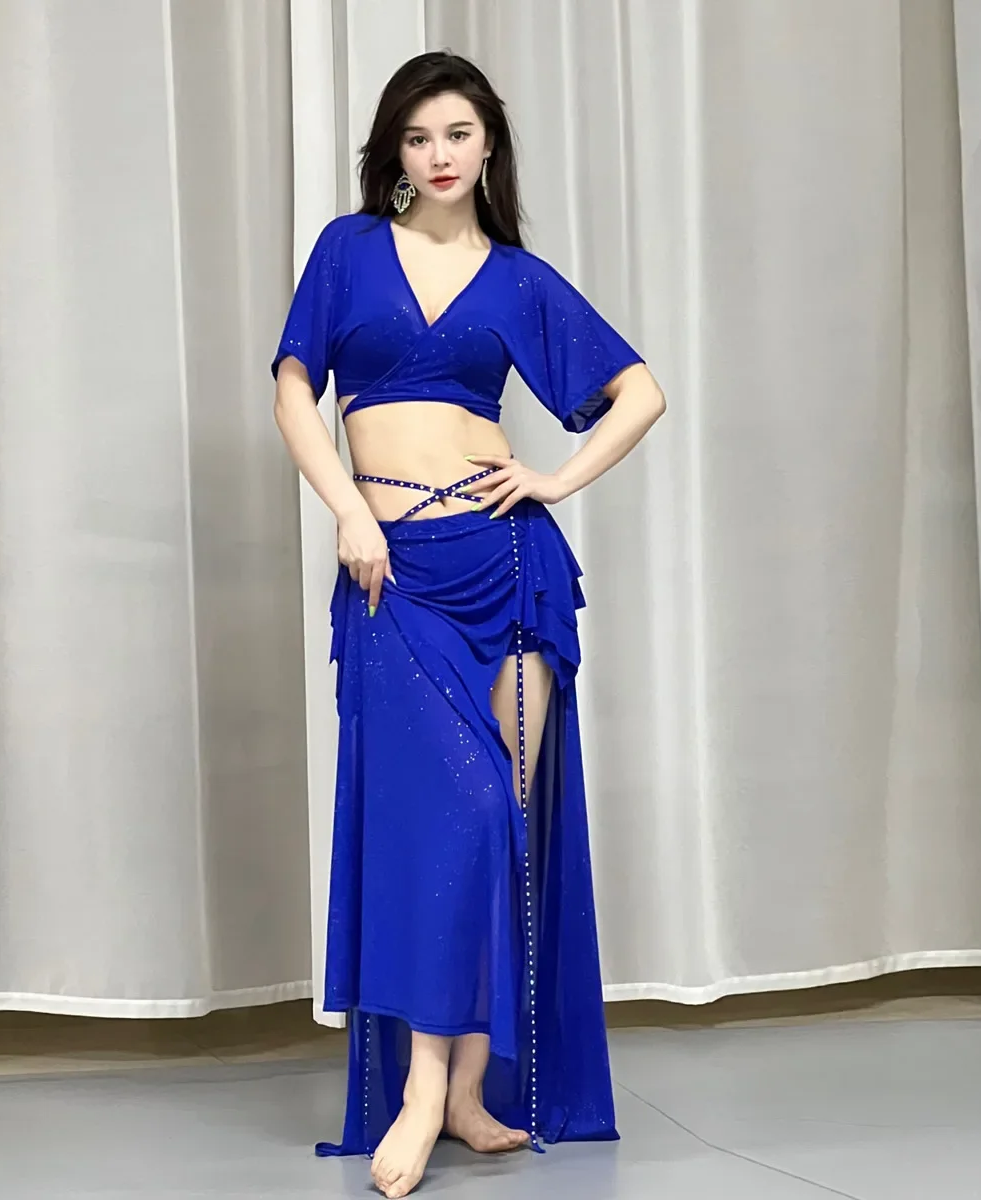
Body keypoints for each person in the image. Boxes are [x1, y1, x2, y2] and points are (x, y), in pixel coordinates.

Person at [272, 50, 666, 1200]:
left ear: (488, 144)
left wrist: (555, 479)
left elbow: (639, 392)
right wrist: (350, 511)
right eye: (417, 136)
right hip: (394, 572)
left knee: (503, 821)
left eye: (457, 133)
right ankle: (421, 1091)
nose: (438, 154)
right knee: (458, 810)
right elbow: (294, 389)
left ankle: (466, 1088)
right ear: (394, 153)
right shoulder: (348, 252)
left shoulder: (519, 279)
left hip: (509, 567)